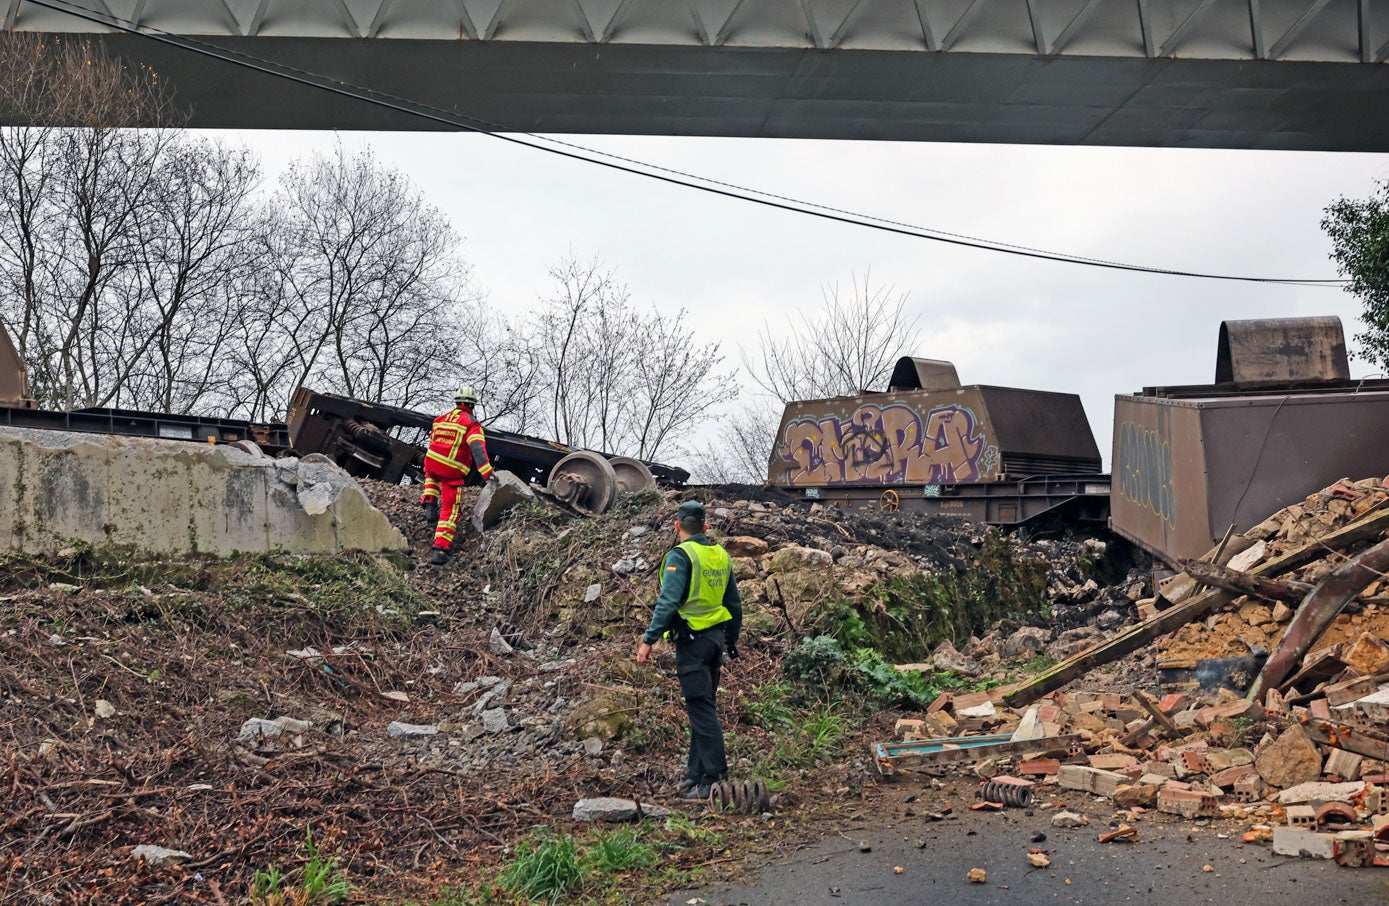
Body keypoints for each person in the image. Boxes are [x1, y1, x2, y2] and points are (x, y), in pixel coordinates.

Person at [635, 500, 743, 799]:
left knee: (701, 710)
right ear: (706, 526)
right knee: (702, 708)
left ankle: (715, 778)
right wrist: (731, 641)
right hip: (715, 640)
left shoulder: (680, 556)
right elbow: (733, 602)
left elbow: (668, 602)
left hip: (693, 644)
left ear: (677, 526)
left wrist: (648, 640)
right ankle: (695, 773)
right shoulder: (719, 554)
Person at [419, 386, 494, 565]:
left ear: (456, 401)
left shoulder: (441, 419)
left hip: (432, 461)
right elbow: (477, 449)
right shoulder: (471, 424)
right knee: (451, 509)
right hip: (451, 470)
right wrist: (486, 472)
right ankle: (440, 551)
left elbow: (434, 441)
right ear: (473, 405)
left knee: (431, 471)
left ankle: (429, 502)